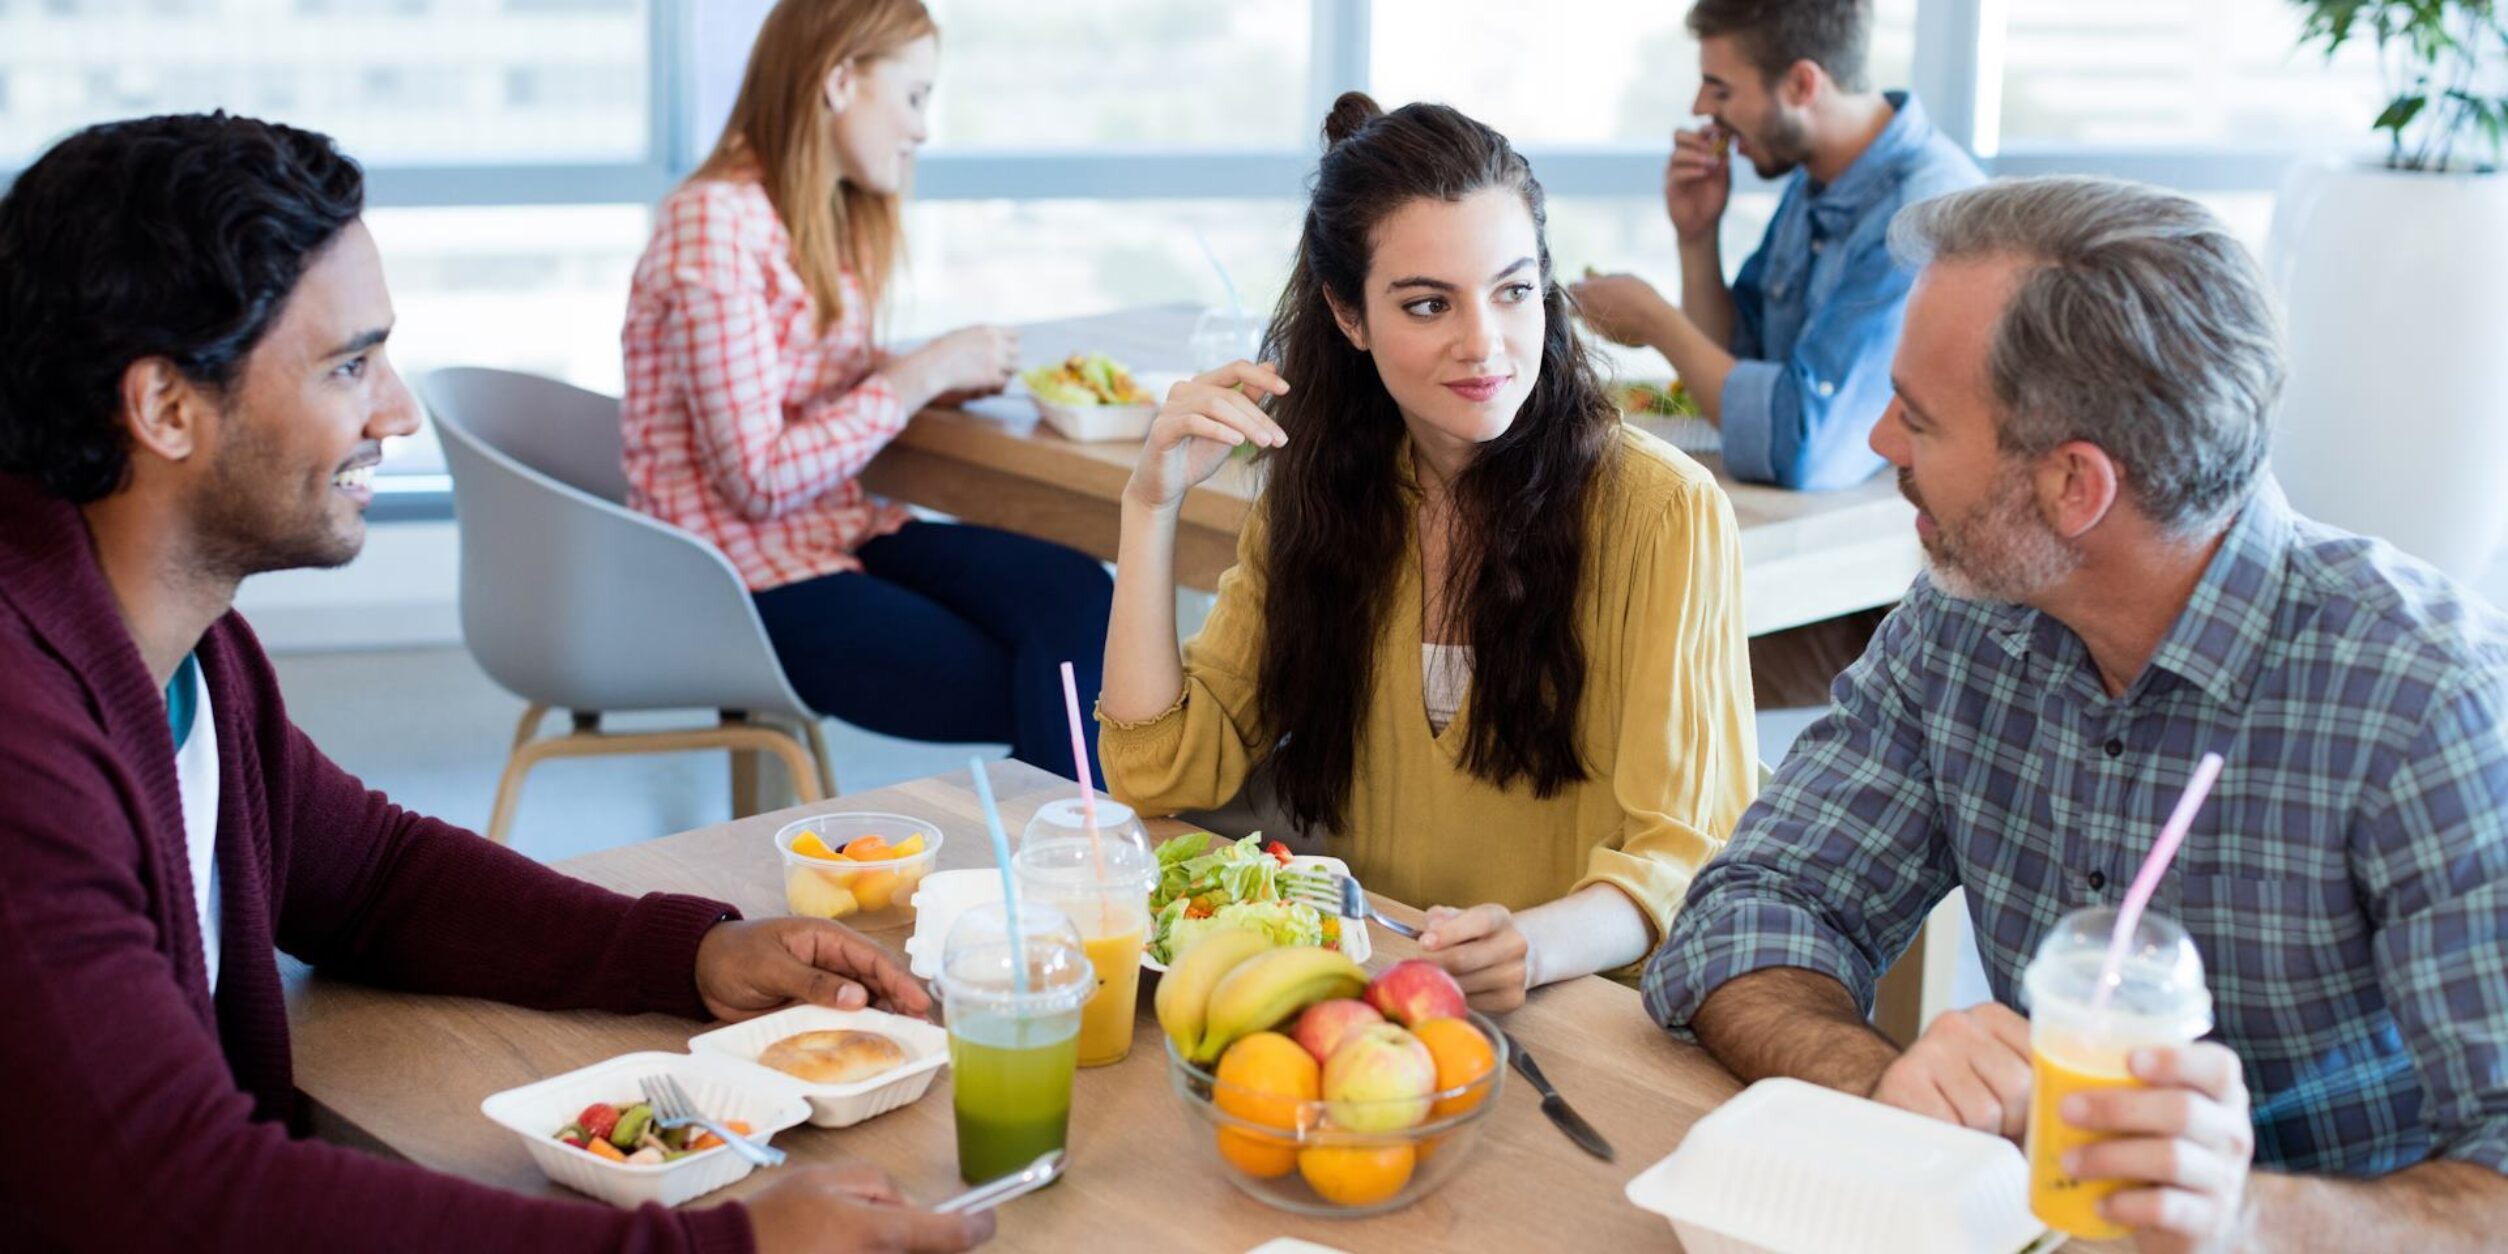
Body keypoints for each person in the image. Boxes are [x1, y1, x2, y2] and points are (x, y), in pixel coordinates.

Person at [0, 112, 988, 1253]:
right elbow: (188, 1200)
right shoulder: (25, 738)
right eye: (349, 365)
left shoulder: (190, 657)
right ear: (166, 408)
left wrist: (690, 954)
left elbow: (368, 876)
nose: (398, 411)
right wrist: (735, 1247)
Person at [1645, 176, 2508, 1248]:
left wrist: (2246, 1216)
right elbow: (1747, 914)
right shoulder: (1965, 622)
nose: (1877, 442)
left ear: (2073, 487)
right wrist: (1891, 1084)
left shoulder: (2433, 706)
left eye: (1918, 417)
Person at [1097, 94, 1761, 1012]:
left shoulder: (1664, 511)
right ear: (1349, 315)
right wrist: (1148, 507)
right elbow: (1159, 771)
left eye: (1514, 291)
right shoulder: (1321, 488)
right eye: (1426, 304)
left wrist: (1529, 946)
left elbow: (1685, 851)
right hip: (1363, 992)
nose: (1485, 344)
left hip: (1580, 1010)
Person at [621, 0, 1112, 781]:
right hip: (746, 580)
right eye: (915, 96)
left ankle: (1055, 859)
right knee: (1057, 686)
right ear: (841, 79)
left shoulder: (810, 215)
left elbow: (789, 369)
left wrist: (928, 381)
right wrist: (916, 375)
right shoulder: (714, 222)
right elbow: (757, 479)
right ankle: (1074, 869)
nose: (922, 128)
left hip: (840, 532)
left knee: (1079, 595)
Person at [1574, 0, 1983, 710]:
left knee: (1630, 662)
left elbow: (1804, 446)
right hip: (1825, 567)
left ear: (1801, 83)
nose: (1702, 108)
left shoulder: (1921, 214)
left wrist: (1656, 320)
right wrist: (1697, 238)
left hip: (1897, 608)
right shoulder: (1814, 185)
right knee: (1606, 635)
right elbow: (1737, 369)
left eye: (1721, 88)